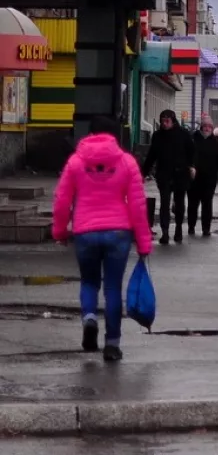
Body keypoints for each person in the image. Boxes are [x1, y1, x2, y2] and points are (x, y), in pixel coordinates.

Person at [51, 117, 153, 362]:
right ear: (114, 135)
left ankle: (88, 319)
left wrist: (60, 232)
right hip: (118, 232)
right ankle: (112, 345)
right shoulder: (126, 162)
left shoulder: (76, 162)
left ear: (90, 134)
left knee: (88, 282)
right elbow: (138, 206)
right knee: (112, 288)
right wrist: (144, 241)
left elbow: (62, 200)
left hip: (85, 231)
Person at [142, 110, 194, 245]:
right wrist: (143, 172)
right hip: (164, 174)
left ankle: (178, 228)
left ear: (173, 120)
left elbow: (191, 152)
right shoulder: (158, 136)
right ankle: (165, 231)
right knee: (164, 203)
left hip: (180, 173)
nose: (164, 124)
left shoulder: (183, 134)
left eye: (167, 121)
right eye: (162, 121)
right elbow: (152, 155)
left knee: (179, 202)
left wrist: (192, 166)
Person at [188, 119, 218, 236]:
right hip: (194, 178)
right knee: (193, 204)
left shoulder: (215, 142)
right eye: (205, 126)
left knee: (207, 204)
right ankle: (191, 226)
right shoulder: (193, 140)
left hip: (209, 178)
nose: (207, 128)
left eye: (209, 126)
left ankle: (206, 228)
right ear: (201, 127)